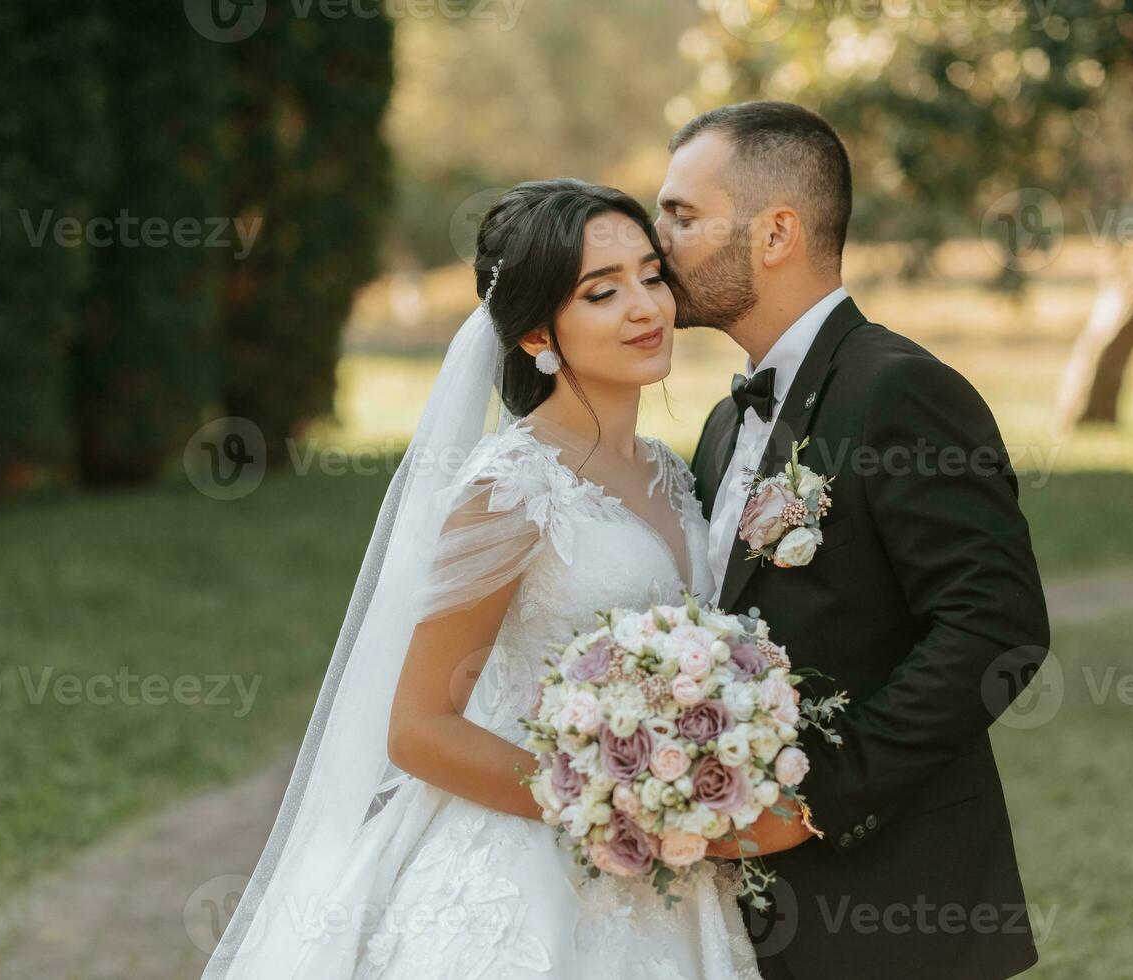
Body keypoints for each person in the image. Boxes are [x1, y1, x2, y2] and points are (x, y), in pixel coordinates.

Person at [201, 178, 762, 979]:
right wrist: (607, 802)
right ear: (538, 331)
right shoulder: (512, 487)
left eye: (650, 276)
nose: (647, 308)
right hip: (528, 869)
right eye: (603, 293)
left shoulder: (671, 470)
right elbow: (419, 728)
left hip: (672, 871)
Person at [659, 100, 1051, 980]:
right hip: (747, 919)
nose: (658, 242)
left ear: (775, 233)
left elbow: (996, 629)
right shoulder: (726, 420)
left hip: (889, 908)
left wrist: (812, 802)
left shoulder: (901, 392)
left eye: (681, 215)